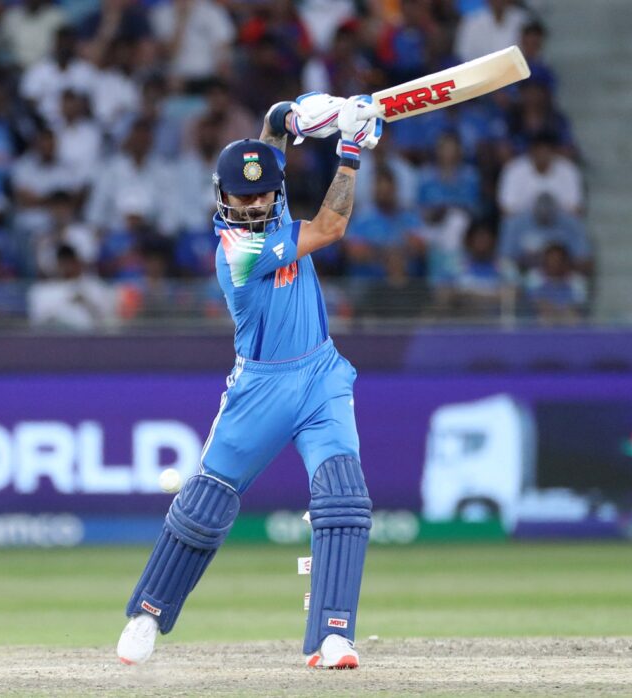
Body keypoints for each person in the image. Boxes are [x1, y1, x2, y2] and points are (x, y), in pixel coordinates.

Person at [116, 92, 381, 669]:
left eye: (263, 192)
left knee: (344, 500)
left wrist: (293, 115)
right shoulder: (238, 249)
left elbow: (267, 138)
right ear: (223, 199)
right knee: (203, 508)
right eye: (243, 195)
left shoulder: (273, 201)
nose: (255, 202)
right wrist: (352, 149)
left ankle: (334, 635)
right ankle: (147, 616)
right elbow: (332, 227)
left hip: (321, 374)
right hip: (260, 388)